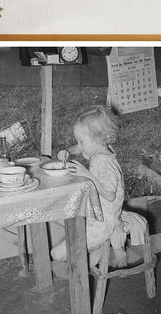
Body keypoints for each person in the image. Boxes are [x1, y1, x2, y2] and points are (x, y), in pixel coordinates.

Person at [51, 105, 127, 268]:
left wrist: (88, 175)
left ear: (98, 139)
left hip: (103, 224)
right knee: (58, 215)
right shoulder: (102, 151)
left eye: (81, 141)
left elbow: (109, 195)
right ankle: (93, 254)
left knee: (56, 254)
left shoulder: (103, 163)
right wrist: (68, 151)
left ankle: (101, 246)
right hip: (95, 214)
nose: (79, 144)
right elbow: (79, 148)